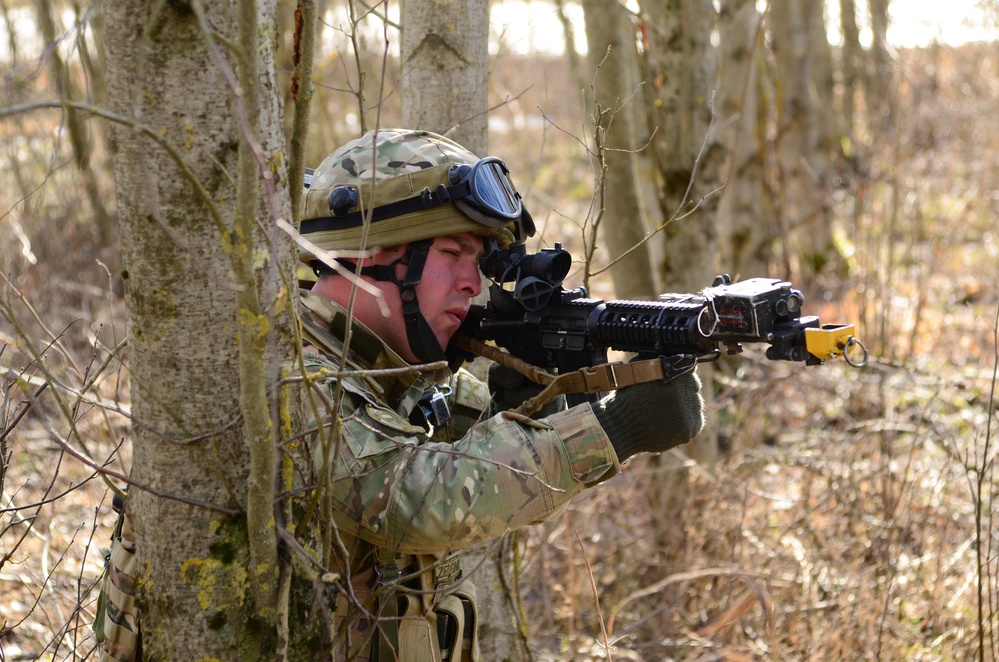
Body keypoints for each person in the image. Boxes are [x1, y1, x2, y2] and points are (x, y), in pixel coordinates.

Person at [94, 128, 704, 661]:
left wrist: (528, 402)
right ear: (367, 256)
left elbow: (471, 442)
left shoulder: (393, 373)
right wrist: (615, 429)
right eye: (451, 254)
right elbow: (415, 496)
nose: (473, 282)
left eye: (481, 261)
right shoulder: (293, 373)